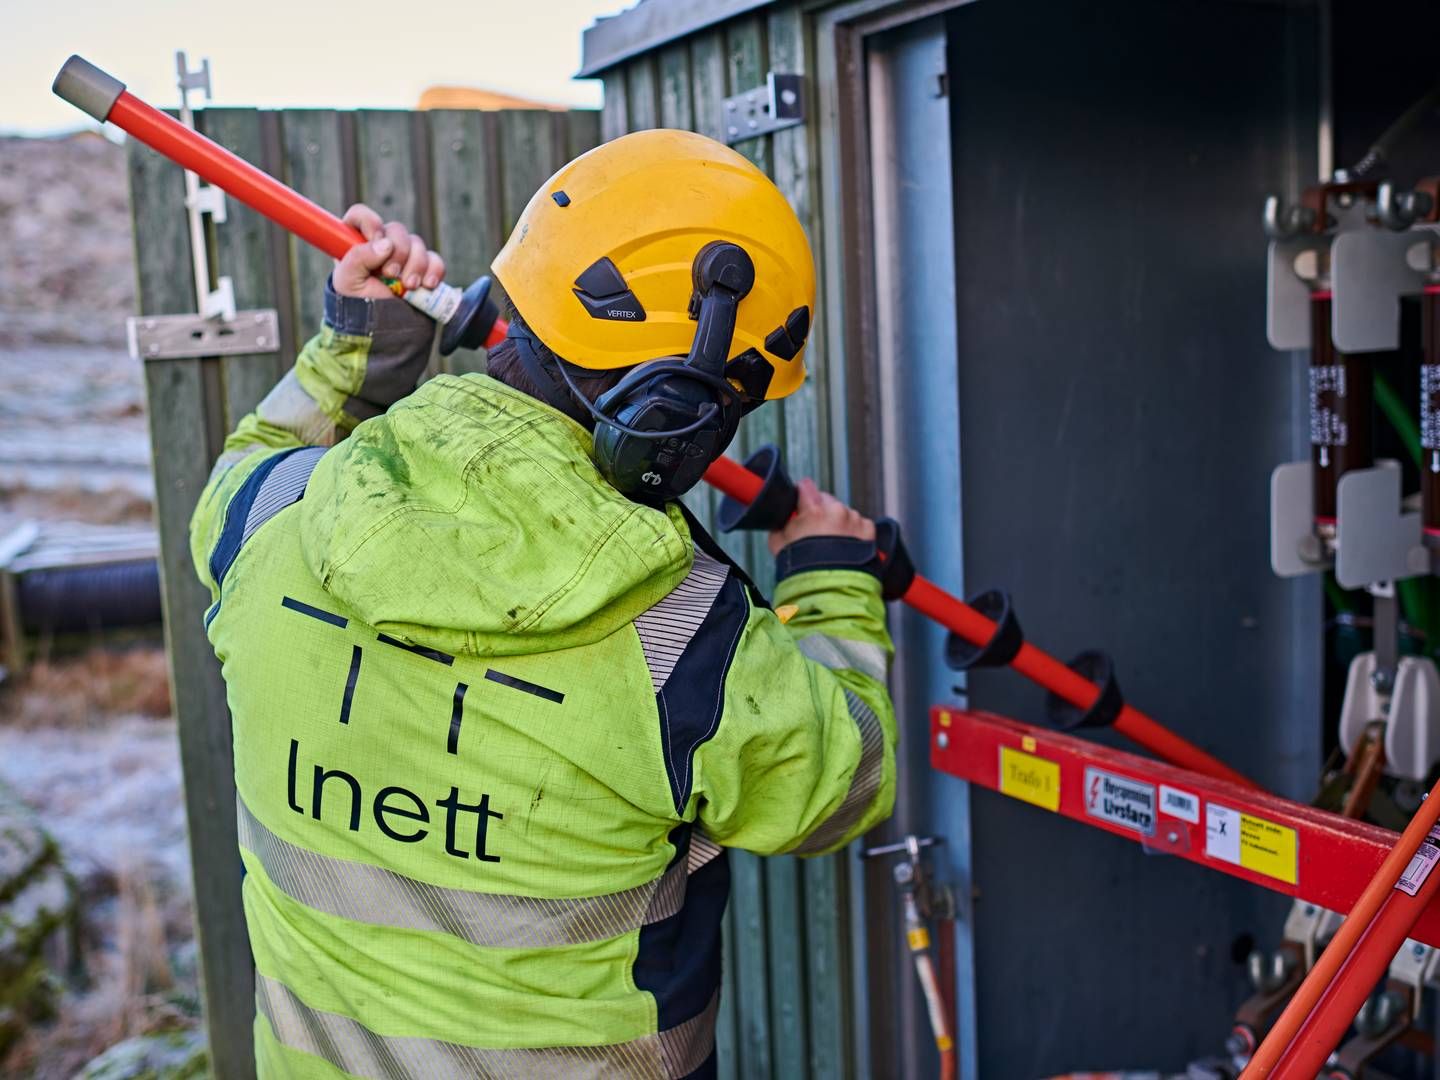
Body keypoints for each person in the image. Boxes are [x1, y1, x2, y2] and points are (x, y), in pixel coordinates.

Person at [190, 129, 898, 1079]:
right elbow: (843, 784)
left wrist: (354, 355)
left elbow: (245, 461)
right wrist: (831, 578)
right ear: (675, 414)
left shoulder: (265, 521)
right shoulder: (689, 642)